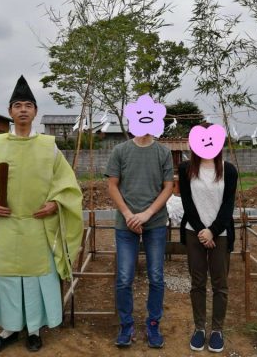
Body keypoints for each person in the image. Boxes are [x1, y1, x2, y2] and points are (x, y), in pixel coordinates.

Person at [0, 75, 83, 353]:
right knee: (4, 277)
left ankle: (33, 330)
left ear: (35, 112)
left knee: (34, 280)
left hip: (36, 224)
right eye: (17, 105)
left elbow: (66, 183)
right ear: (10, 112)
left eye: (28, 105)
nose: (22, 110)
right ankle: (8, 330)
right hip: (4, 224)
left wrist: (55, 203)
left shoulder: (48, 146)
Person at [106, 98, 174, 349]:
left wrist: (146, 214)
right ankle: (126, 325)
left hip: (155, 222)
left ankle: (153, 324)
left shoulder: (163, 152)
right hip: (125, 224)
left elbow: (168, 187)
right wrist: (128, 214)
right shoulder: (120, 151)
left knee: (156, 276)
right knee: (124, 277)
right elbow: (112, 185)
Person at [178, 122, 238, 353]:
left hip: (220, 234)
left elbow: (228, 205)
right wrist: (202, 231)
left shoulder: (228, 170)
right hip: (194, 233)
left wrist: (212, 230)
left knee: (220, 284)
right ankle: (199, 328)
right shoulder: (186, 169)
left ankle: (217, 330)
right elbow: (187, 203)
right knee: (198, 282)